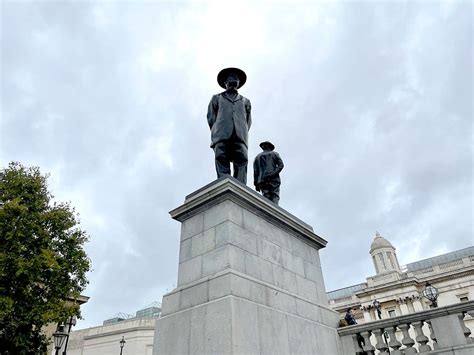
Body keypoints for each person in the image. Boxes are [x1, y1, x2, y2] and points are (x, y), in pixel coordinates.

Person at [207, 67, 252, 184]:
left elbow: (248, 121)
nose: (233, 80)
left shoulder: (245, 101)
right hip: (221, 133)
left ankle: (240, 186)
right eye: (230, 78)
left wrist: (242, 130)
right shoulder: (216, 98)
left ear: (238, 83)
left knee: (242, 159)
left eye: (236, 78)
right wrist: (218, 129)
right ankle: (223, 184)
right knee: (221, 157)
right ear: (225, 83)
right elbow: (211, 117)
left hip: (240, 134)